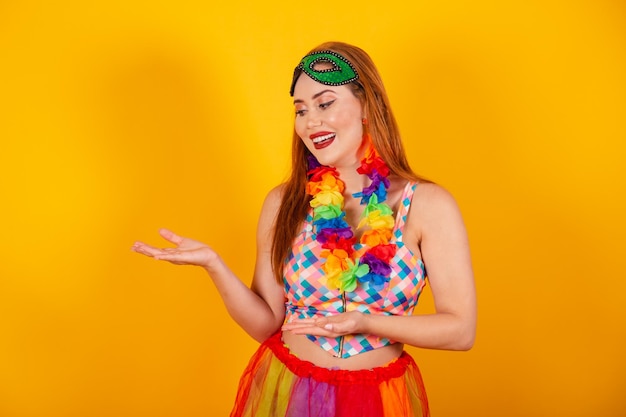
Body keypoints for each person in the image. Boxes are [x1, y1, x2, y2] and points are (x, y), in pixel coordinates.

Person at [132, 41, 476, 417]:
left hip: (378, 401)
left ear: (367, 106)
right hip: (291, 393)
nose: (310, 121)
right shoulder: (285, 203)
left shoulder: (427, 205)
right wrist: (214, 264)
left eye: (324, 103)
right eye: (300, 109)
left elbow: (460, 330)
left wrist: (365, 322)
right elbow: (267, 324)